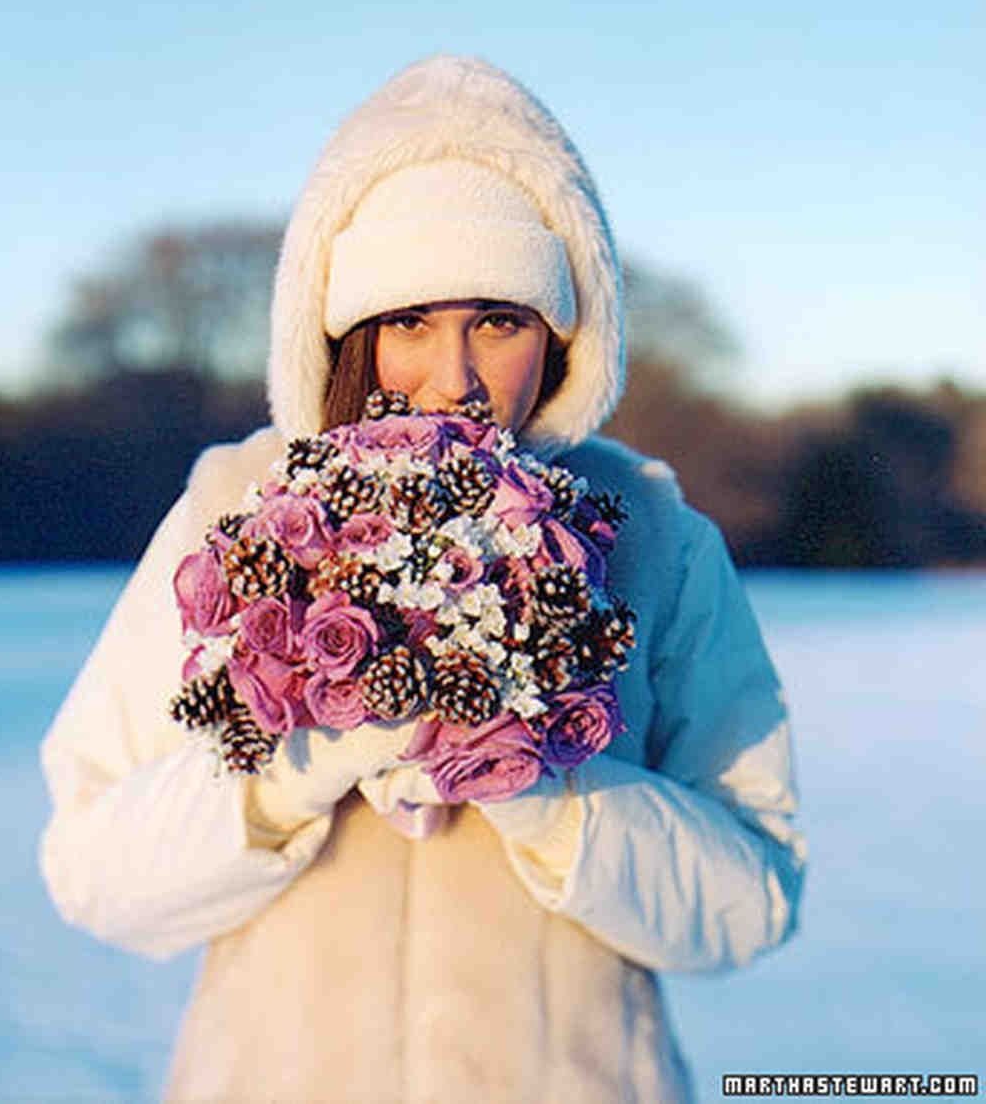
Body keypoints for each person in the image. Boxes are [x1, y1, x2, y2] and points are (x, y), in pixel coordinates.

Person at [39, 54, 806, 1103]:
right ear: (346, 332)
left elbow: (749, 899)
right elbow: (94, 872)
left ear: (561, 332)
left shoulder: (651, 539)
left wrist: (550, 790)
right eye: (408, 322)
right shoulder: (234, 515)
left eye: (496, 321)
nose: (451, 378)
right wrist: (294, 765)